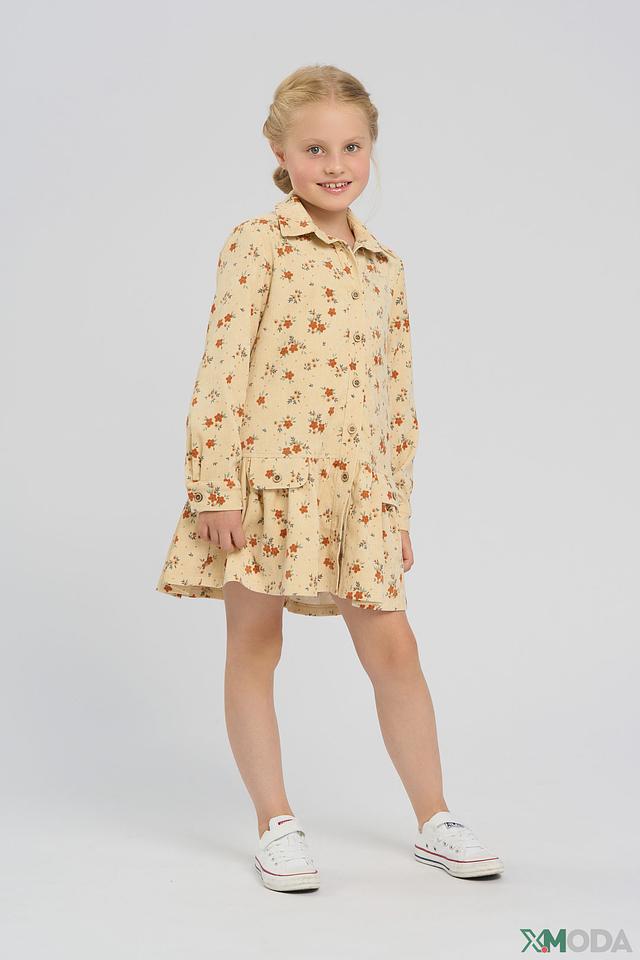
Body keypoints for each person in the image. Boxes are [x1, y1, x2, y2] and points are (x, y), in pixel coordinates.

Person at [156, 64, 504, 892]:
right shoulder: (258, 242)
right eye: (315, 149)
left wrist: (398, 506)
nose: (335, 164)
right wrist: (215, 488)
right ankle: (275, 823)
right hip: (266, 486)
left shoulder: (385, 264)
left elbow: (397, 394)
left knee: (395, 647)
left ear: (371, 150)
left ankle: (435, 818)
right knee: (255, 642)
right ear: (279, 151)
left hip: (361, 494)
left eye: (351, 147)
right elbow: (221, 367)